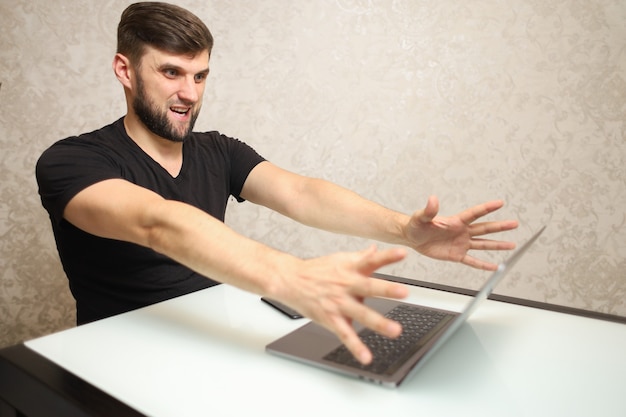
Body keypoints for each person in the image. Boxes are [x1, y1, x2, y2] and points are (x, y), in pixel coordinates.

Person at [36, 1, 518, 366]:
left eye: (201, 76)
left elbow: (301, 193)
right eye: (171, 73)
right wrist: (291, 276)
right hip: (119, 360)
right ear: (125, 70)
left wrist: (404, 230)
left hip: (210, 343)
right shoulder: (71, 162)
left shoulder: (218, 150)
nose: (190, 93)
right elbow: (158, 222)